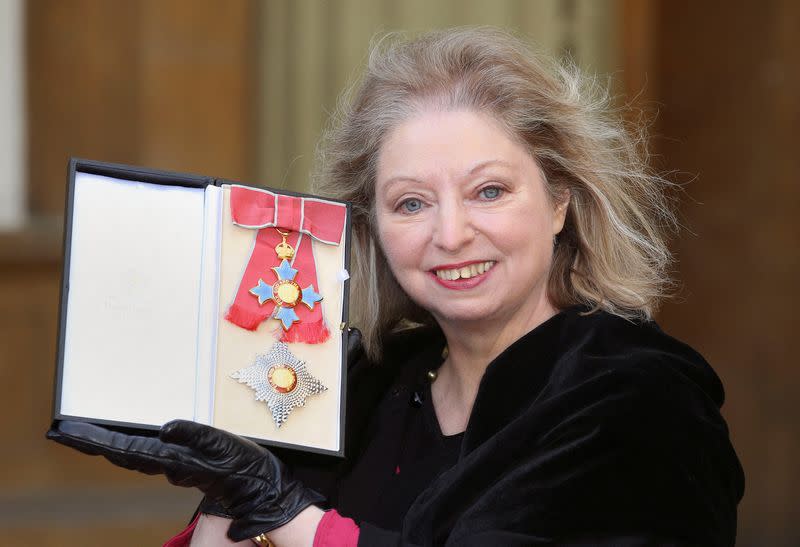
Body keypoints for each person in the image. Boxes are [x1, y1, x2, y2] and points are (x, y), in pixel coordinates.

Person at [48, 27, 744, 546]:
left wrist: (288, 515)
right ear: (372, 225)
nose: (451, 233)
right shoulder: (365, 383)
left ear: (559, 200)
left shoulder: (638, 396)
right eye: (411, 202)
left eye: (489, 191)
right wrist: (229, 487)